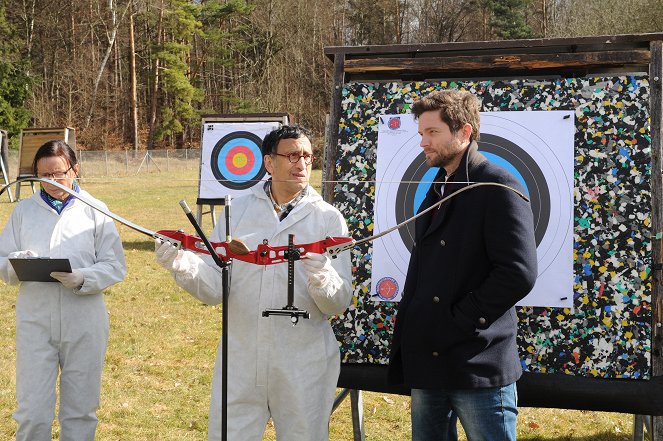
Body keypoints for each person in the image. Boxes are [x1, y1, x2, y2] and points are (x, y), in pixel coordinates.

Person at [154, 124, 353, 441]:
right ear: (269, 162)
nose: (301, 164)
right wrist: (182, 264)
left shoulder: (327, 218)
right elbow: (214, 288)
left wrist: (323, 278)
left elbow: (339, 301)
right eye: (291, 155)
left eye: (307, 156)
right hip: (241, 355)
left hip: (303, 358)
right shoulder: (237, 211)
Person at [388, 90, 538, 441]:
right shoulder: (439, 185)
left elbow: (518, 272)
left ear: (464, 132)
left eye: (433, 132)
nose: (423, 142)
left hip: (477, 361)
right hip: (430, 361)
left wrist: (460, 320)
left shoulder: (497, 185)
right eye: (421, 133)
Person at [0, 140, 127, 441]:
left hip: (83, 318)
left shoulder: (96, 210)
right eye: (45, 175)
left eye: (59, 174)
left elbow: (114, 265)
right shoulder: (24, 211)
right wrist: (16, 263)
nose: (53, 182)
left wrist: (82, 277)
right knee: (32, 411)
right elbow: (2, 259)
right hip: (36, 318)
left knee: (81, 409)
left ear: (75, 170)